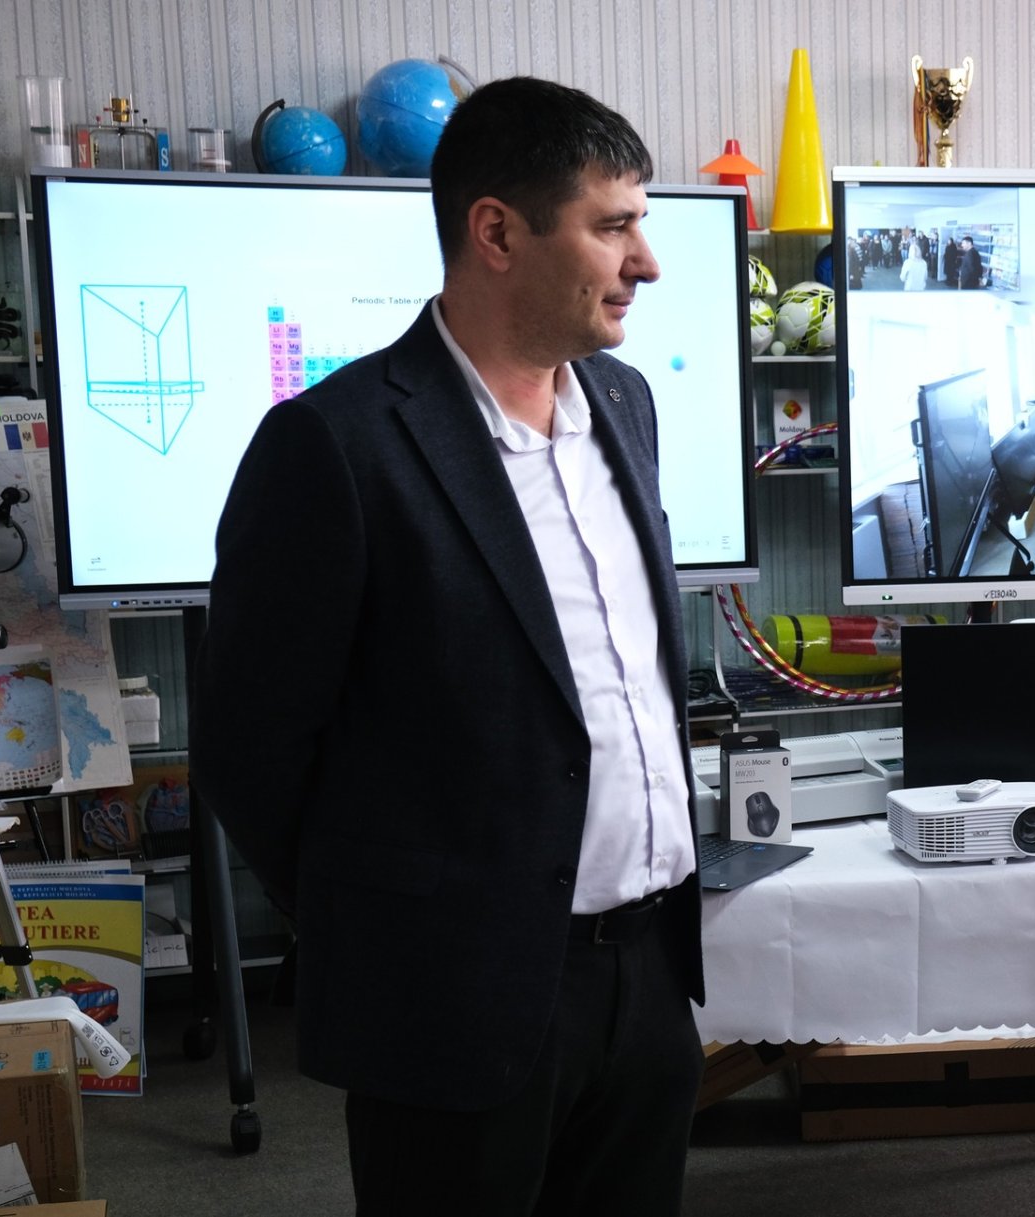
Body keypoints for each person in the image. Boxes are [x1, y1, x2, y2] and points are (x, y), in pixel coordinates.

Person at [190, 77, 707, 1216]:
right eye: (614, 226)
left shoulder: (625, 405)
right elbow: (248, 749)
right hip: (451, 999)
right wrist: (394, 922)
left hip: (645, 978)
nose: (647, 261)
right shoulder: (335, 446)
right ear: (497, 233)